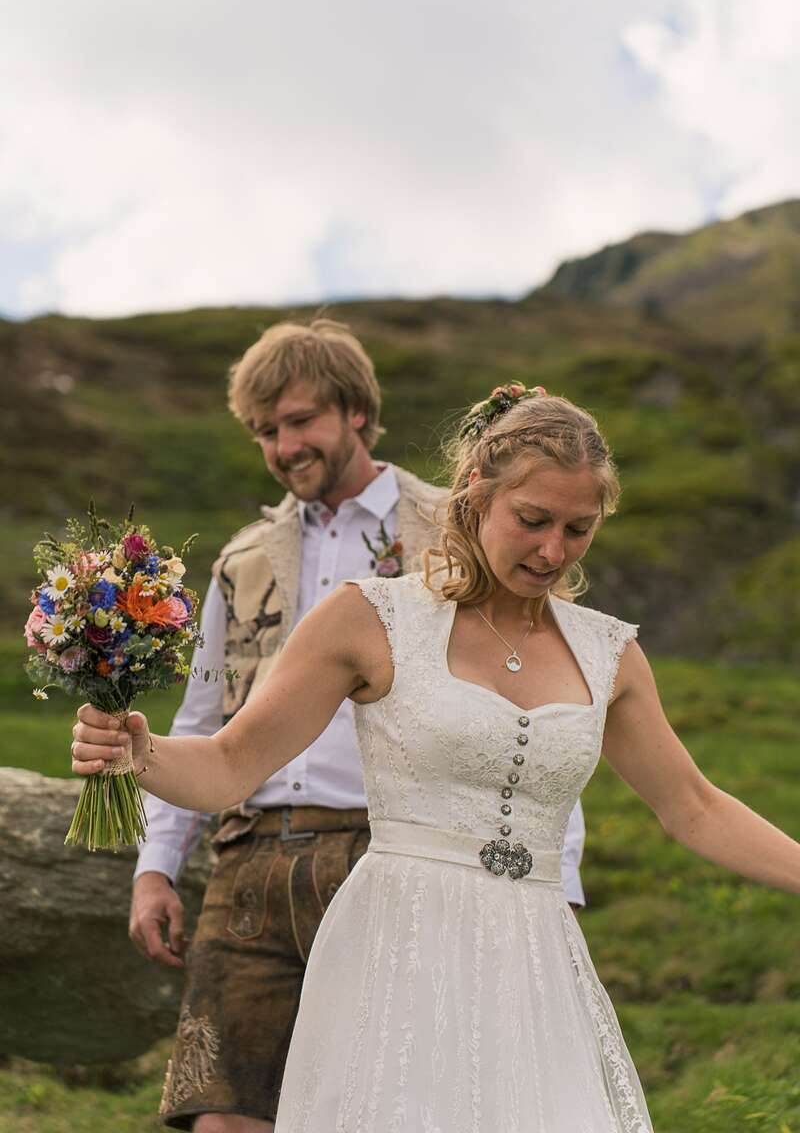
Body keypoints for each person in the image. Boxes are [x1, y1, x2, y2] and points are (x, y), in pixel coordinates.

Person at [72, 384, 800, 1132]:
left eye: (579, 529)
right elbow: (231, 763)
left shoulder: (609, 653)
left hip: (533, 961)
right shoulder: (370, 618)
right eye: (532, 520)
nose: (553, 551)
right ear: (475, 494)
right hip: (397, 949)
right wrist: (140, 751)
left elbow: (694, 807)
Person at [128, 329, 588, 1132]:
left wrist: (559, 881)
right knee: (222, 1115)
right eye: (265, 432)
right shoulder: (240, 561)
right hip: (250, 858)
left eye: (300, 420)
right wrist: (155, 866)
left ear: (357, 412)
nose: (283, 447)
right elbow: (202, 716)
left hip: (397, 854)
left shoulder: (463, 527)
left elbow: (535, 708)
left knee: (390, 1109)